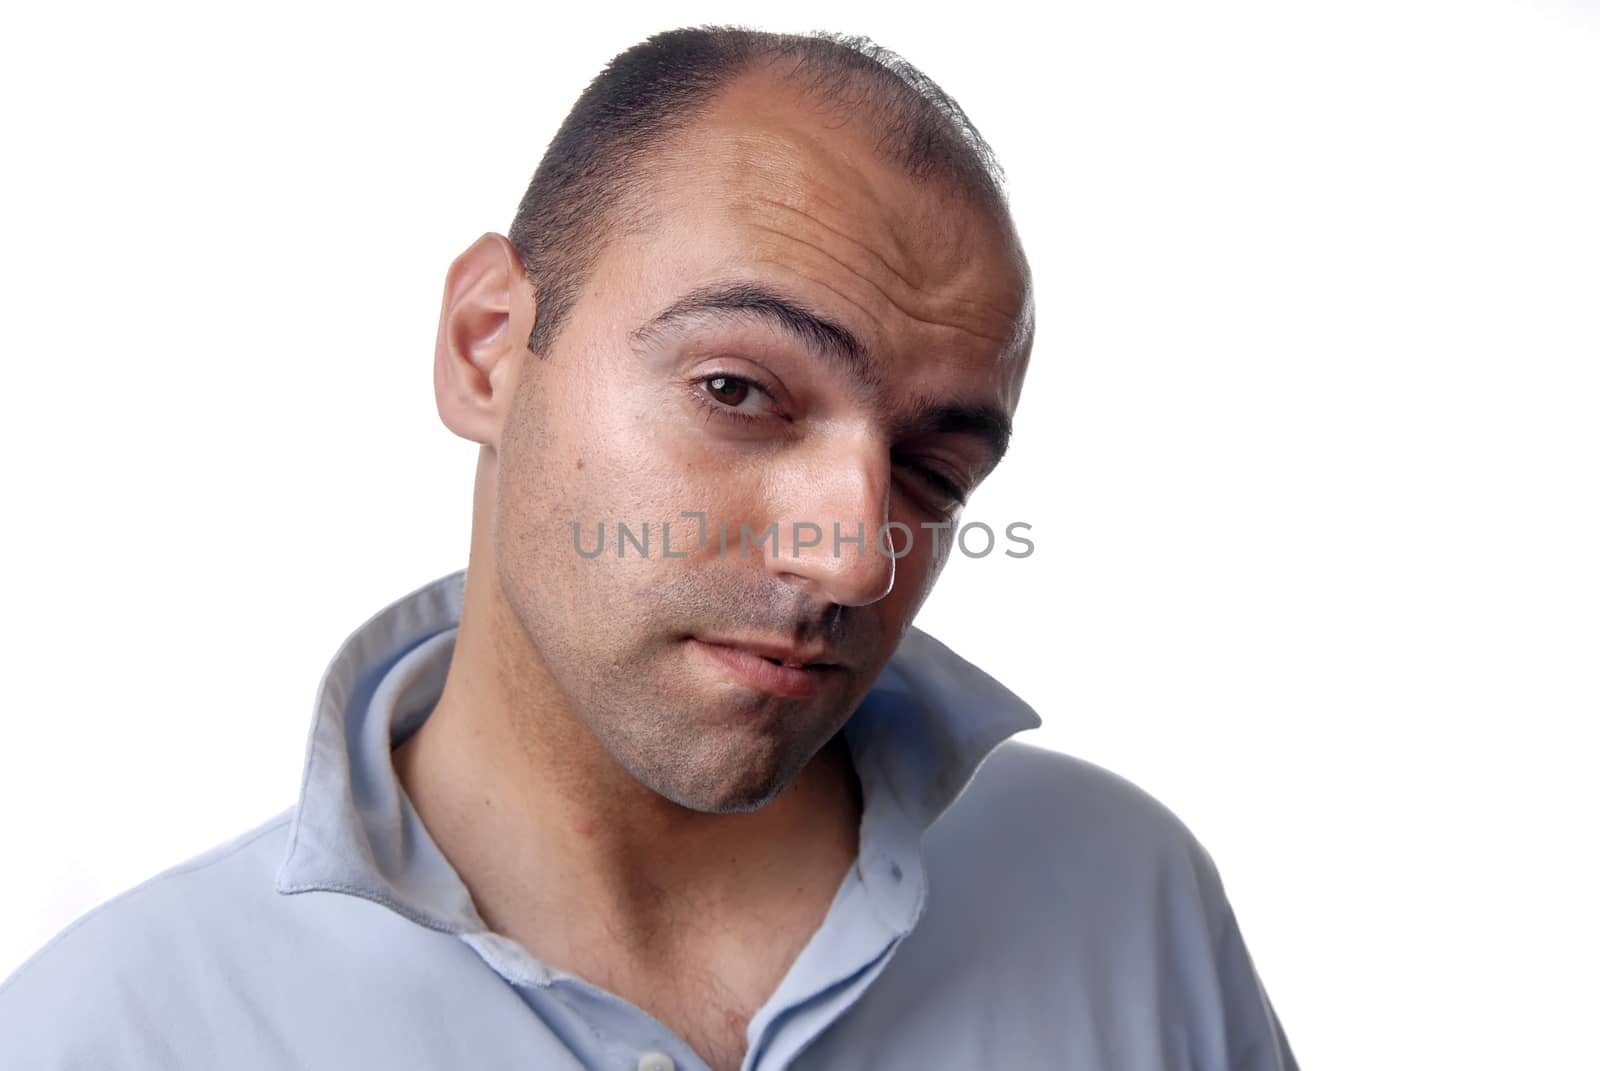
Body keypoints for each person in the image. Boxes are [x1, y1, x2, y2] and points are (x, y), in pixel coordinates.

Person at [0, 25, 1298, 1071]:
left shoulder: (1127, 905)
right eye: (739, 390)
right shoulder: (109, 1035)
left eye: (935, 469)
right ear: (488, 345)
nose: (852, 561)